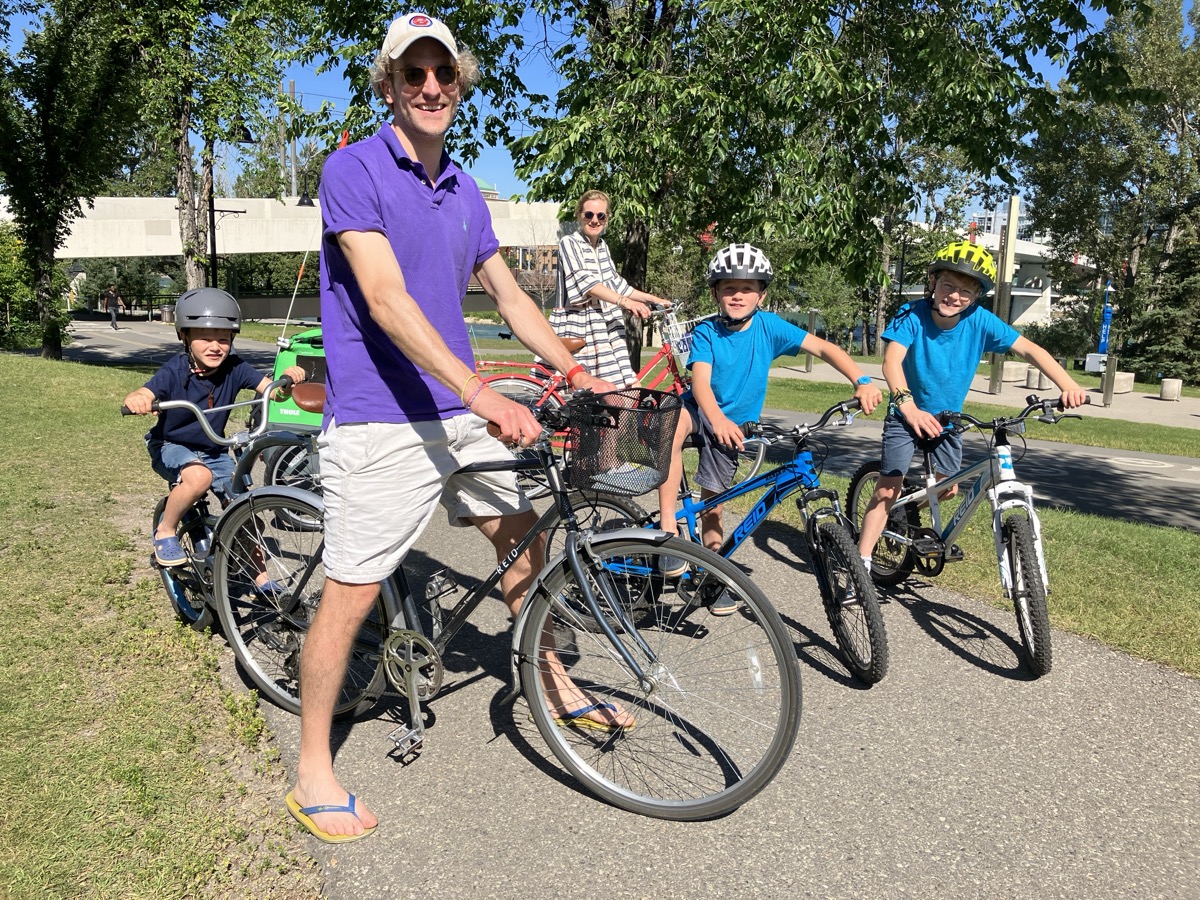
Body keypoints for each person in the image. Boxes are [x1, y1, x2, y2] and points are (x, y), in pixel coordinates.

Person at [286, 12, 621, 844]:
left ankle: (547, 677)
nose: (430, 87)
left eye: (444, 74)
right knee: (352, 592)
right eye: (413, 75)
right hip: (379, 417)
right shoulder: (351, 168)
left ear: (458, 86)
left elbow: (508, 295)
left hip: (458, 407)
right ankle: (310, 767)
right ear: (390, 87)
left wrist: (579, 374)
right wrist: (481, 390)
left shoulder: (466, 187)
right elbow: (386, 299)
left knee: (522, 538)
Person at [655, 243, 883, 610]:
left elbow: (825, 349)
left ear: (762, 294)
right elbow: (699, 383)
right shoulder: (706, 333)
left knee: (714, 503)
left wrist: (862, 379)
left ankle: (712, 574)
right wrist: (717, 420)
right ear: (715, 292)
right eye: (729, 288)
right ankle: (668, 531)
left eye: (747, 288)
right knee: (671, 427)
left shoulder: (770, 326)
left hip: (736, 425)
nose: (738, 295)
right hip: (704, 413)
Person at [855, 240, 1088, 570]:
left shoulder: (980, 320)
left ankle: (904, 515)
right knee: (888, 487)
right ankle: (860, 563)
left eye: (966, 291)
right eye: (948, 285)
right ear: (933, 282)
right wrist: (908, 406)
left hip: (948, 421)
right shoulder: (911, 315)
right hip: (907, 417)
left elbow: (1030, 350)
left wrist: (1068, 385)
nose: (954, 296)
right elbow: (892, 363)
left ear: (977, 297)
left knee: (947, 488)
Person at [122, 288, 306, 568]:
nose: (215, 346)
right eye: (205, 338)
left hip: (215, 448)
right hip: (171, 445)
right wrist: (139, 399)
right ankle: (166, 531)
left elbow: (270, 391)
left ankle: (262, 581)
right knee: (198, 478)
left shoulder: (235, 367)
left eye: (223, 339)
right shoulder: (175, 370)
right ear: (185, 337)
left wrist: (286, 382)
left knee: (245, 509)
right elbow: (145, 392)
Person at [542, 190, 670, 385]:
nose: (595, 220)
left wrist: (654, 299)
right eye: (589, 215)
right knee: (589, 391)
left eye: (601, 215)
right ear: (580, 216)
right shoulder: (569, 243)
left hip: (604, 325)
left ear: (607, 218)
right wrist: (625, 303)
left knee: (623, 388)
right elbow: (585, 283)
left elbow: (618, 285)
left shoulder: (602, 247)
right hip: (577, 323)